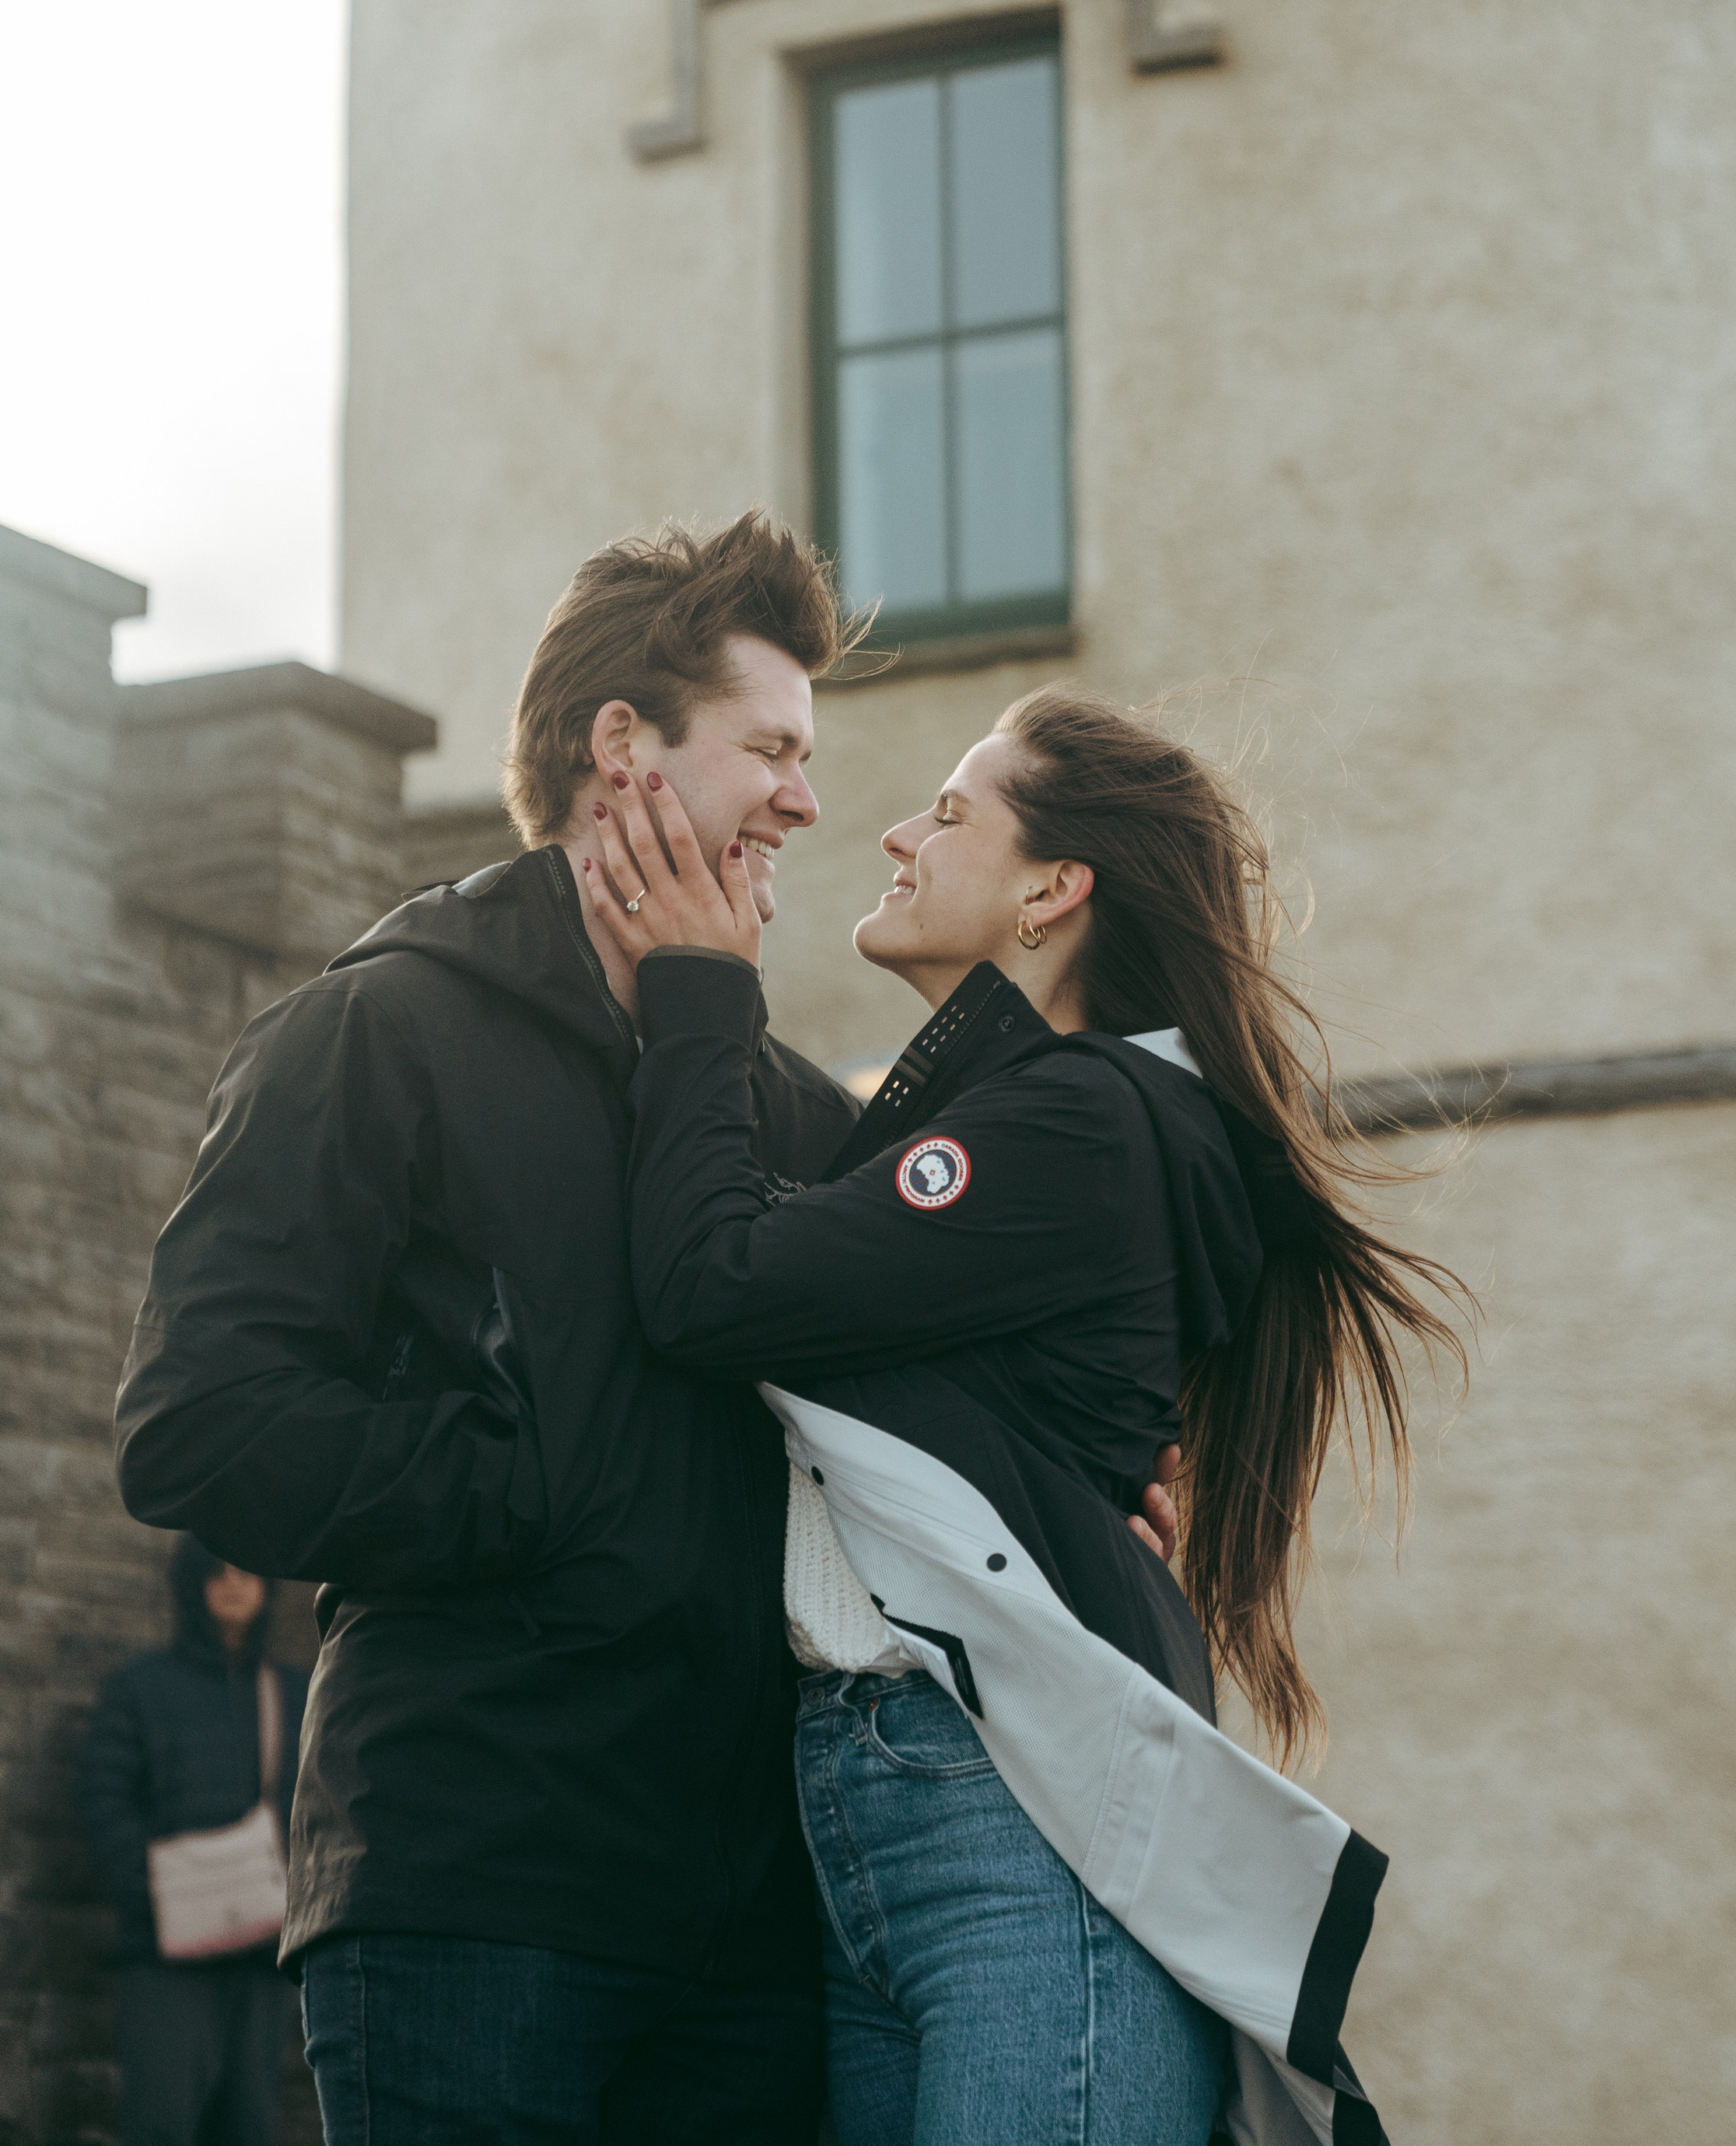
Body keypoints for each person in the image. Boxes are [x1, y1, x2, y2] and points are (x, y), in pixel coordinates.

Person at [111, 513, 1178, 2146]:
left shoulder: (797, 1117)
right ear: (624, 747)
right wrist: (520, 1491)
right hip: (471, 1896)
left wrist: (1087, 1503)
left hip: (753, 1944)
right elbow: (195, 1422)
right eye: (772, 750)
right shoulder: (372, 1030)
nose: (807, 802)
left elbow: (901, 1423)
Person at [582, 685, 1472, 2146]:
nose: (896, 833)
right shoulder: (1044, 1125)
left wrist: (697, 989)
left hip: (1002, 1821)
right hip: (888, 1807)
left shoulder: (1081, 1122)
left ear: (1053, 891)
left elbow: (712, 1285)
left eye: (949, 813)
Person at [77, 1537, 308, 2146]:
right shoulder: (139, 1689)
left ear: (268, 1588)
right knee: (161, 2123)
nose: (233, 1583)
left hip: (265, 1955)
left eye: (247, 1571)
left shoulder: (294, 1693)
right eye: (216, 1571)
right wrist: (157, 1900)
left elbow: (324, 1812)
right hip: (167, 1957)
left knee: (248, 2127)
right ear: (190, 1583)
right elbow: (104, 1801)